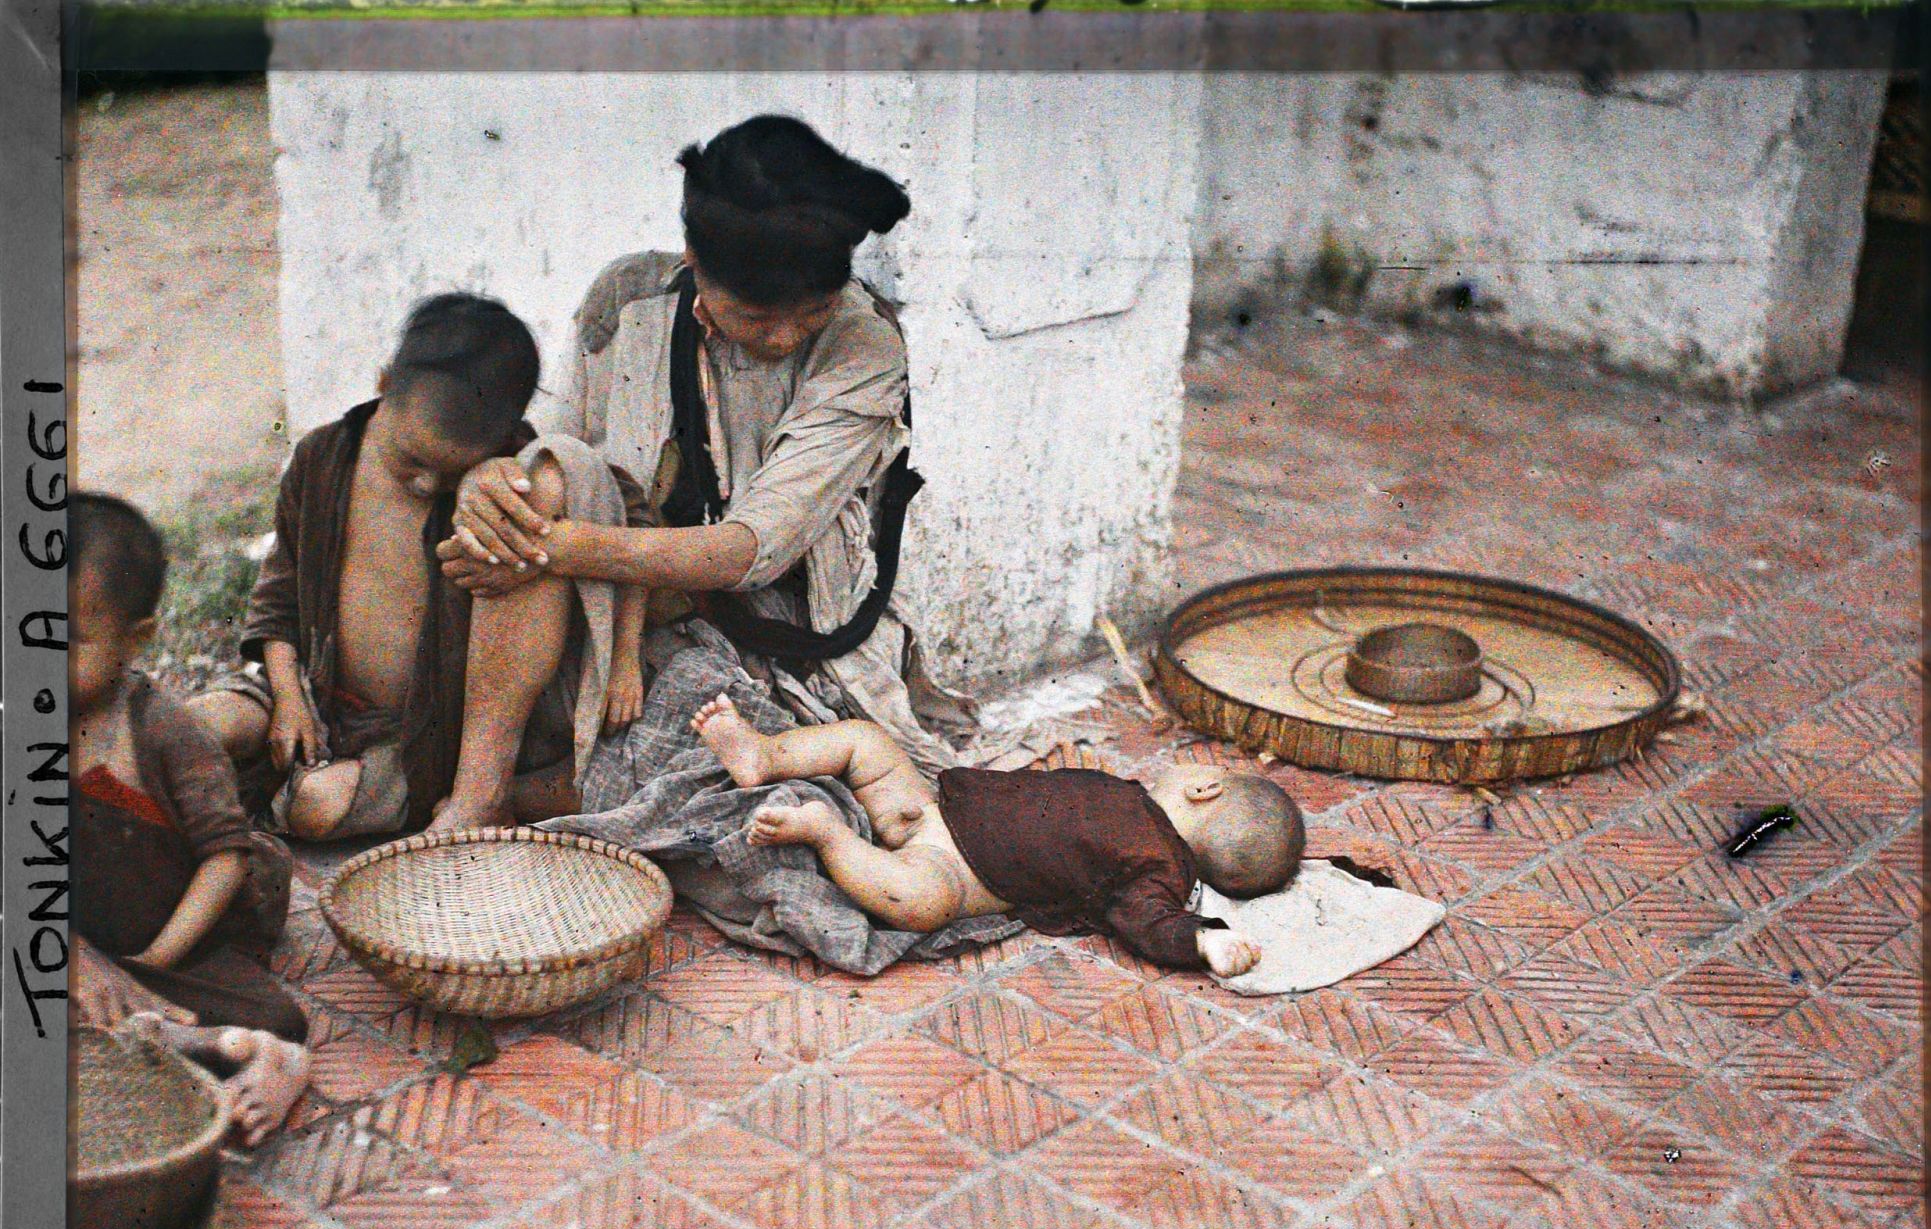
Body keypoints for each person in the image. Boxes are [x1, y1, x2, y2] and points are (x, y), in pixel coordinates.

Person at [425, 114, 974, 839]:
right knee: (537, 481)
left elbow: (749, 551)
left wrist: (539, 549)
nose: (783, 338)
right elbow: (554, 446)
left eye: (808, 314)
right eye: (755, 315)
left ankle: (571, 785)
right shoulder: (627, 297)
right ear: (692, 260)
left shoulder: (864, 346)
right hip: (626, 615)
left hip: (776, 646)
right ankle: (479, 796)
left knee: (794, 825)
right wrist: (489, 489)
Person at [190, 293, 647, 839]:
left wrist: (625, 655)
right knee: (209, 721)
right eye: (413, 462)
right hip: (309, 688)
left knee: (316, 806)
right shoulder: (321, 460)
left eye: (452, 474)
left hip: (410, 739)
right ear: (385, 383)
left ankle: (250, 807)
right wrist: (288, 695)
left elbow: (628, 508)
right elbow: (278, 594)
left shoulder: (509, 469)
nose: (429, 486)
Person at [691, 695, 1302, 977]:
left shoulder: (1158, 868)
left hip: (953, 874)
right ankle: (763, 756)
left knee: (918, 904)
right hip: (928, 807)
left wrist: (1204, 940)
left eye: (1206, 770)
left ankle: (828, 836)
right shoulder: (1128, 798)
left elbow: (1152, 922)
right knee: (868, 742)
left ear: (1204, 791)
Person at [70, 493, 311, 1145]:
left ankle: (270, 1058)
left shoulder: (165, 732)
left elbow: (225, 858)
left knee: (272, 1010)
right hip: (85, 940)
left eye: (66, 641)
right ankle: (195, 1040)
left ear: (136, 638)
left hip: (181, 937)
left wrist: (152, 962)